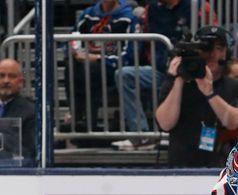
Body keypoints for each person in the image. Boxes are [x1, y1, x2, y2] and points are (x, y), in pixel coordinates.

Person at [113, 0, 217, 150]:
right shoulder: (152, 9)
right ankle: (142, 136)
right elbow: (146, 38)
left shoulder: (198, 6)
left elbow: (213, 37)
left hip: (196, 72)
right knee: (125, 75)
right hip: (162, 71)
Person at [155, 25, 238, 167]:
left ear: (226, 54)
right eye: (206, 48)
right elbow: (165, 123)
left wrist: (209, 93)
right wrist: (180, 79)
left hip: (222, 167)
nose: (211, 54)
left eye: (218, 48)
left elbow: (233, 122)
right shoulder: (175, 83)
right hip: (181, 167)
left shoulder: (235, 86)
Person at [67, 0, 136, 133]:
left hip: (113, 68)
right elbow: (73, 36)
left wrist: (100, 59)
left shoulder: (129, 17)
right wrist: (75, 51)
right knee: (71, 66)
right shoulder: (88, 14)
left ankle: (90, 122)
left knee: (92, 69)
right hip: (86, 64)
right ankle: (76, 118)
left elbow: (130, 55)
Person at [0, 58, 35, 161]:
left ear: (21, 82)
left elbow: (29, 152)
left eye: (12, 76)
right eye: (1, 76)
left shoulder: (31, 111)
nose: (6, 81)